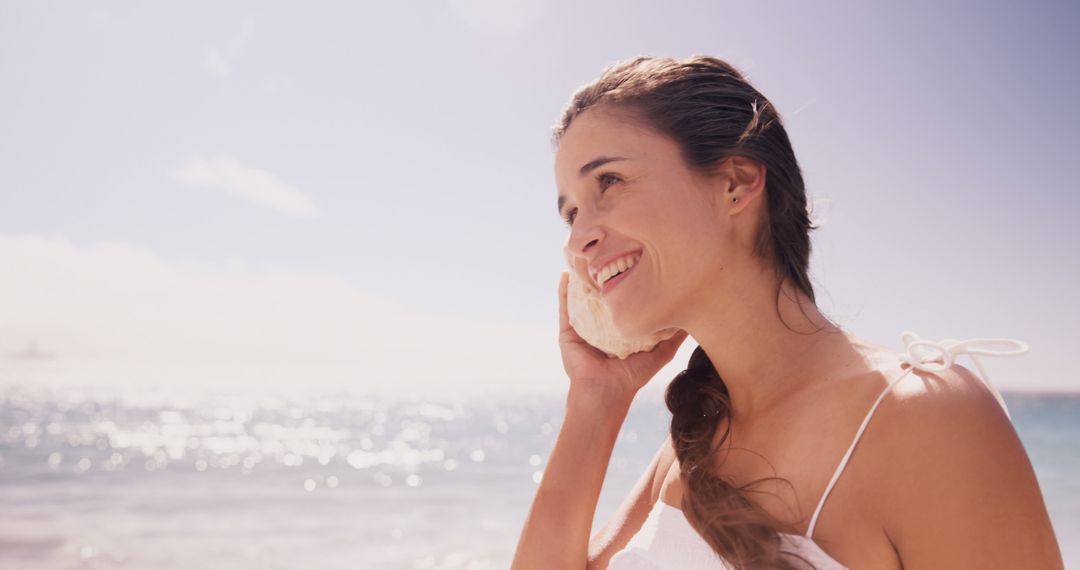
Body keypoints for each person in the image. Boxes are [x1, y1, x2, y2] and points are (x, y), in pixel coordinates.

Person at [511, 55, 1064, 569]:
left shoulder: (927, 420)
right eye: (571, 214)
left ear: (736, 181)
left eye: (609, 181)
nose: (579, 237)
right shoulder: (691, 446)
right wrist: (596, 401)